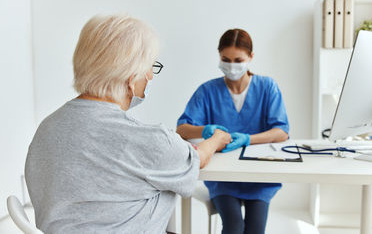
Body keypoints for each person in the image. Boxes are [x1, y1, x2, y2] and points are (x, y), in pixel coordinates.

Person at [25, 14, 231, 234]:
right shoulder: (152, 142)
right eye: (151, 66)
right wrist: (217, 139)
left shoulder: (47, 128)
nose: (151, 76)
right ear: (132, 78)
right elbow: (198, 157)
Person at [176, 29, 289, 234]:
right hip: (223, 179)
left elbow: (281, 131)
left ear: (250, 57)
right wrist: (205, 129)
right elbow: (182, 128)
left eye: (238, 60)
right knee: (234, 227)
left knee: (255, 230)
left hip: (258, 178)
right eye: (225, 59)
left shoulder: (267, 87)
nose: (231, 65)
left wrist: (248, 138)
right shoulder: (207, 91)